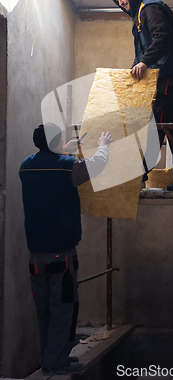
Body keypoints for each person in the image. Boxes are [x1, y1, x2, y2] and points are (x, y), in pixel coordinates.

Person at [19, 123, 112, 376]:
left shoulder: (26, 165)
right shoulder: (66, 165)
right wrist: (103, 146)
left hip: (36, 254)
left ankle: (52, 356)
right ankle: (56, 362)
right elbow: (94, 166)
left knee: (45, 310)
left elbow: (51, 167)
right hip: (61, 252)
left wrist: (64, 151)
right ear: (56, 142)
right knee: (62, 308)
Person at [110, 0, 173, 190]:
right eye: (117, 0)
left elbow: (162, 36)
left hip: (169, 78)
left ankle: (137, 178)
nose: (121, 2)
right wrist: (135, 69)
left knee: (154, 128)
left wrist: (144, 62)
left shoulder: (148, 9)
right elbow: (142, 51)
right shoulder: (141, 14)